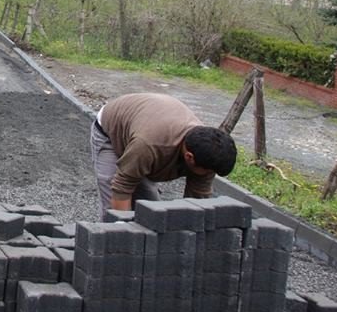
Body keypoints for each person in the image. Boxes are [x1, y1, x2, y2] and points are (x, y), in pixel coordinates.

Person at [90, 92, 237, 220]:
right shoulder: (149, 145)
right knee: (112, 198)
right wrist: (121, 229)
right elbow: (122, 187)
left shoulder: (209, 153)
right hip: (111, 129)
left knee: (151, 208)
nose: (209, 175)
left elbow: (197, 201)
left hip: (147, 125)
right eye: (208, 172)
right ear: (189, 157)